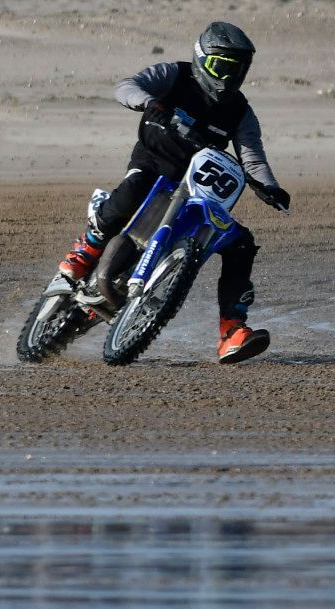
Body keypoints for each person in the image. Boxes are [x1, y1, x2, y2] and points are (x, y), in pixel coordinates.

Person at [54, 23, 291, 364]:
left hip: (195, 186)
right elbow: (127, 87)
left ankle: (231, 330)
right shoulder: (174, 75)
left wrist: (270, 186)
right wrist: (149, 103)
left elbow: (251, 154)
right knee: (133, 189)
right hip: (153, 164)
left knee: (241, 243)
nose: (229, 76)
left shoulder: (239, 110)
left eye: (237, 69)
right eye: (221, 67)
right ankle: (83, 253)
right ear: (201, 59)